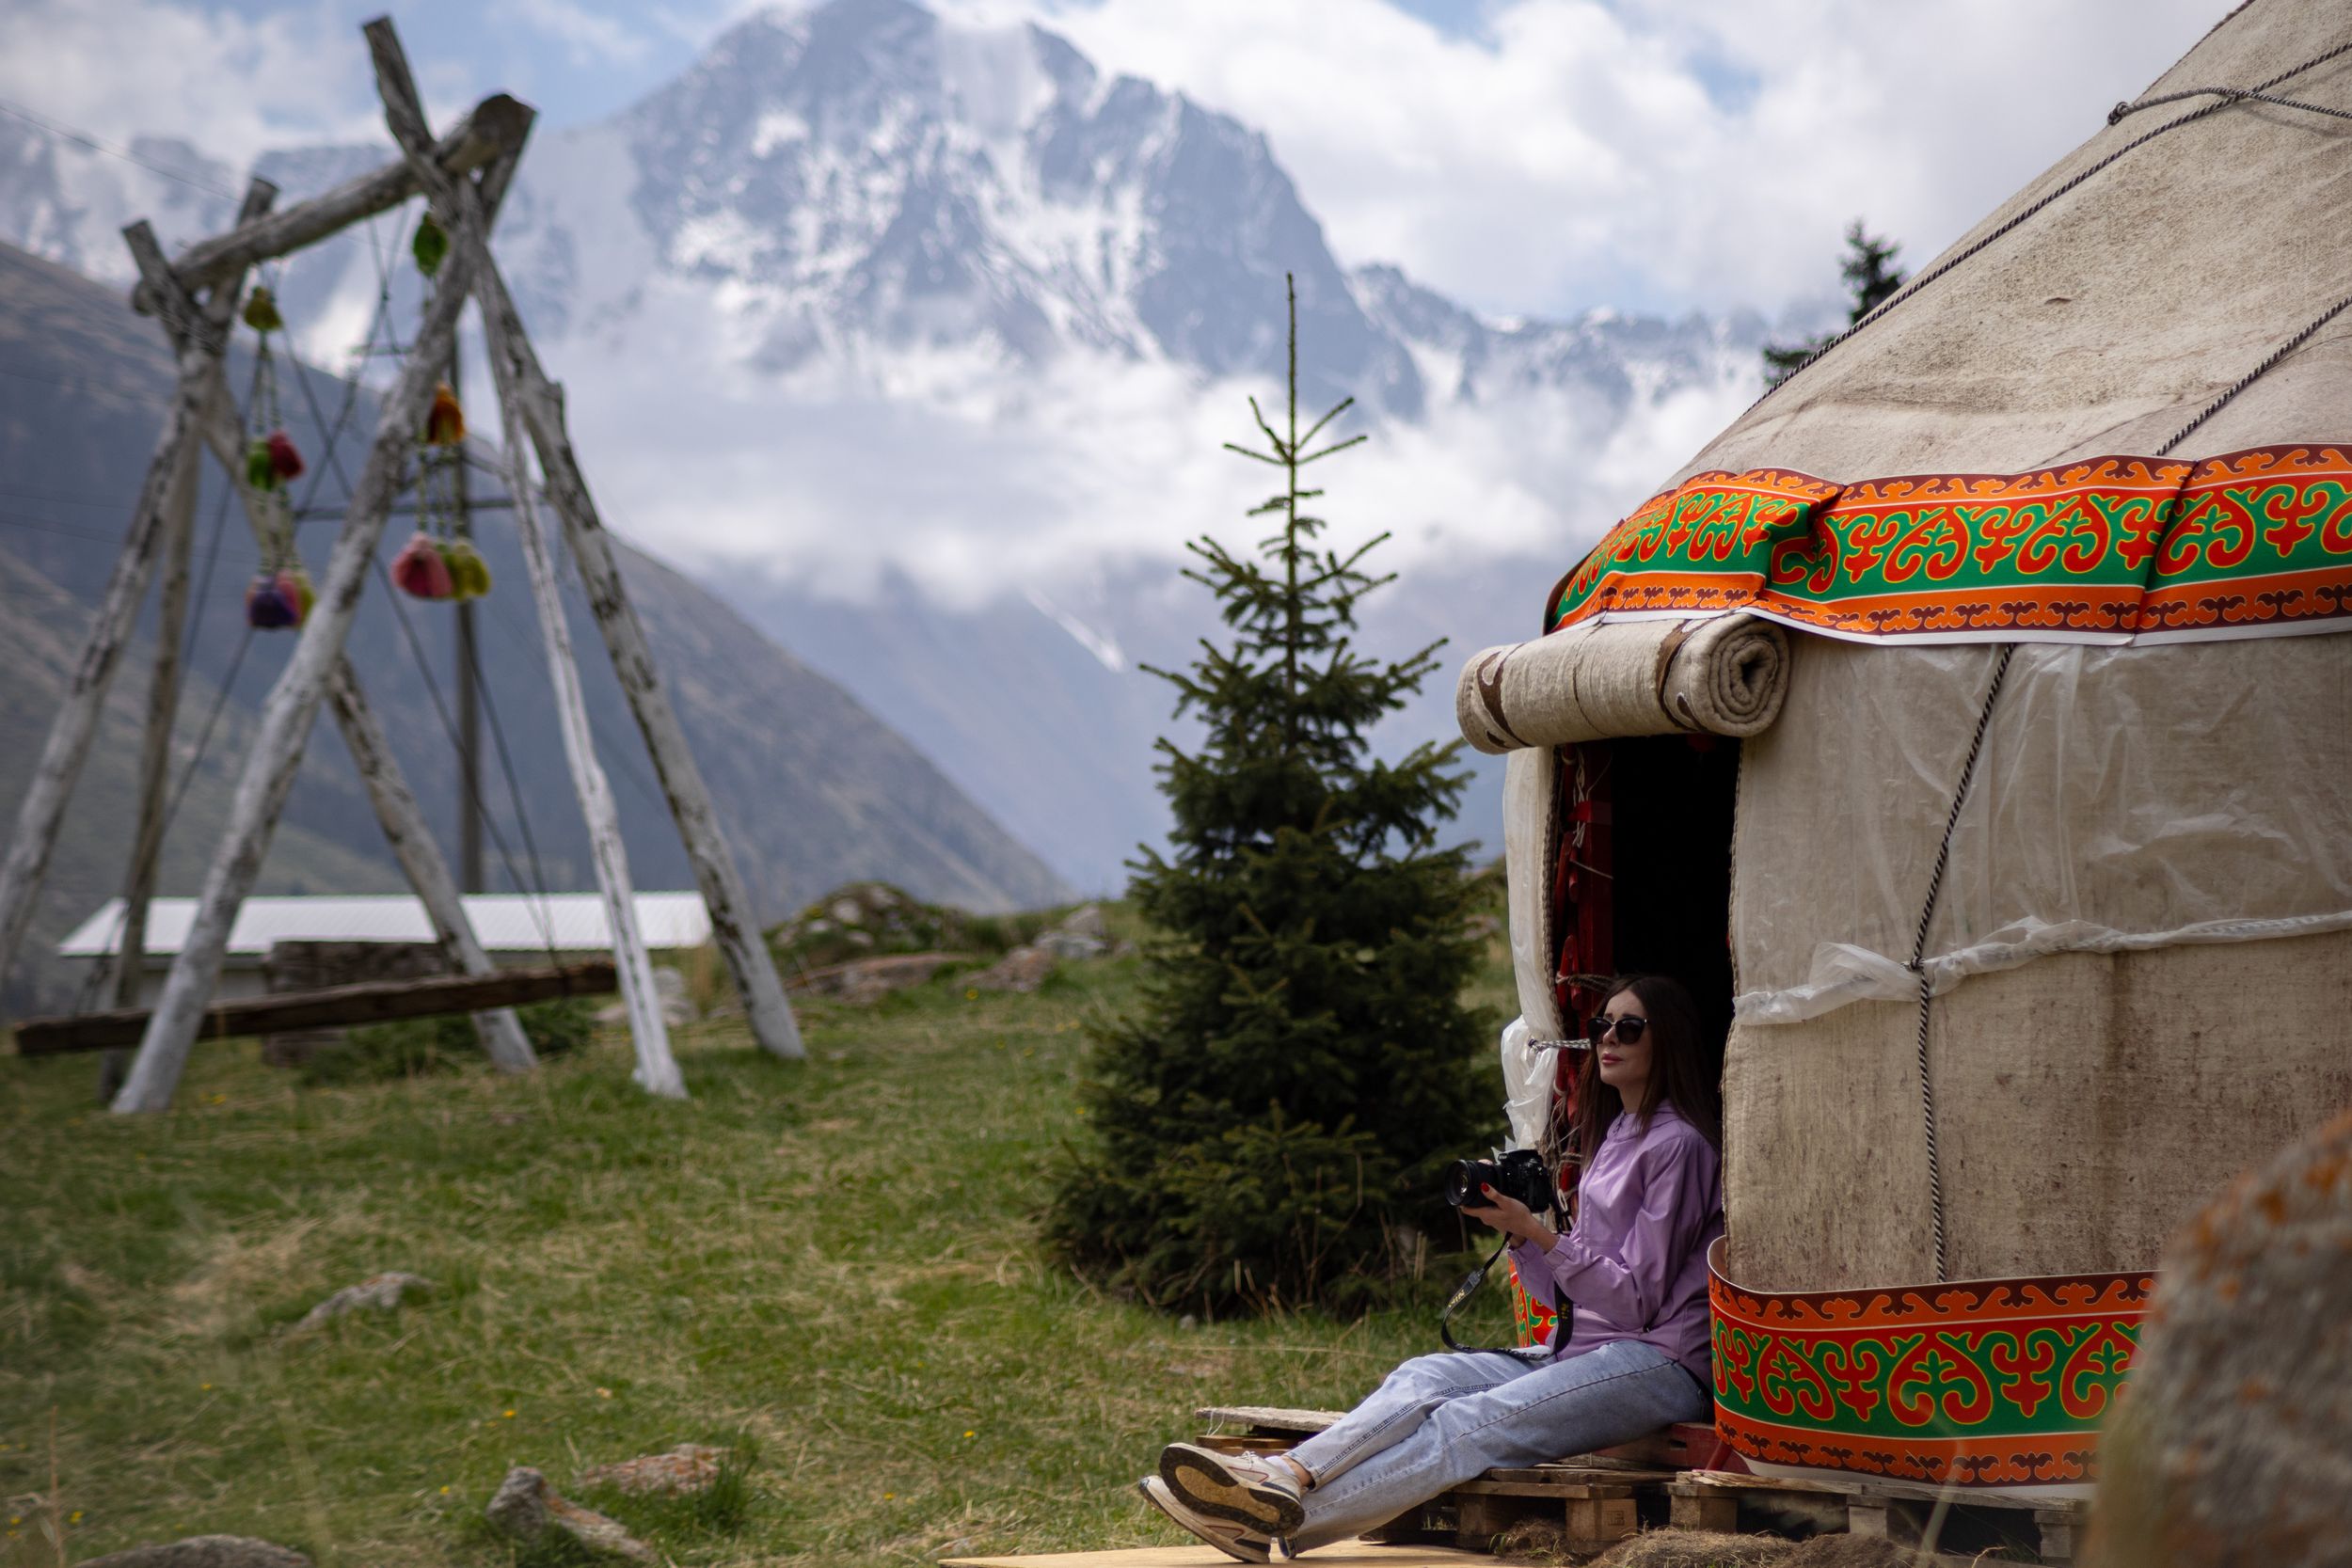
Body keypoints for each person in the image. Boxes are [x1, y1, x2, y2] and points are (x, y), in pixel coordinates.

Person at [1136, 973, 1725, 1560]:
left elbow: (1637, 1302)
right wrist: (1518, 1238)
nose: (1607, 1038)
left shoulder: (1679, 1144)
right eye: (1601, 1026)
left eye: (1628, 1027)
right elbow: (1566, 1298)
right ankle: (1284, 1475)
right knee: (1423, 1377)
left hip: (1660, 1364)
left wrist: (1537, 1232)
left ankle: (1272, 1525)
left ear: (1667, 1039)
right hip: (1586, 1351)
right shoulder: (1617, 1134)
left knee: (1468, 1424)